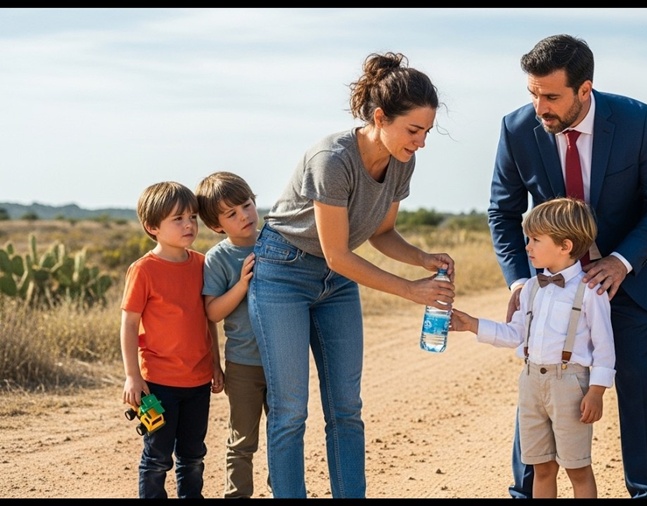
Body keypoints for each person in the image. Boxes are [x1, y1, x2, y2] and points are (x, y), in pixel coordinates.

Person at [247, 51, 455, 499]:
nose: (420, 142)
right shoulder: (331, 158)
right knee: (290, 410)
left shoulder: (403, 160)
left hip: (335, 282)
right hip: (283, 272)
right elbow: (338, 253)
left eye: (426, 132)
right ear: (380, 117)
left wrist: (421, 258)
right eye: (413, 130)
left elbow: (381, 232)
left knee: (346, 408)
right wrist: (411, 289)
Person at [488, 34, 647, 499]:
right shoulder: (517, 129)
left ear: (585, 89)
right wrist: (521, 280)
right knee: (541, 381)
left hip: (630, 284)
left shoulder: (637, 121)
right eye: (533, 94)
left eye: (551, 96)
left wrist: (620, 262)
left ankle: (645, 491)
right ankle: (525, 492)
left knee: (636, 389)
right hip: (553, 288)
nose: (540, 108)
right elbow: (502, 211)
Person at [450, 197, 615, 499]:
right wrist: (472, 324)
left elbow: (605, 348)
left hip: (569, 385)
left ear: (565, 246)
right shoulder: (531, 288)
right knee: (541, 467)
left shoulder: (590, 291)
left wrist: (597, 391)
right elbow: (516, 334)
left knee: (577, 468)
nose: (527, 246)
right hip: (530, 383)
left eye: (535, 240)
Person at [120, 181, 225, 498]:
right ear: (152, 227)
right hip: (156, 385)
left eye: (192, 216)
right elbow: (128, 324)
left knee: (193, 457)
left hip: (197, 383)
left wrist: (215, 365)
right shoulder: (143, 270)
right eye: (177, 219)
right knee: (157, 457)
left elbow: (208, 319)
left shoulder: (202, 264)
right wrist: (132, 376)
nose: (189, 224)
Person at [195, 171, 270, 498]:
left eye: (247, 205)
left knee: (284, 435)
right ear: (216, 225)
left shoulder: (277, 243)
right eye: (231, 213)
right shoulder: (218, 258)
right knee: (242, 441)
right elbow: (211, 313)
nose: (244, 216)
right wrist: (242, 284)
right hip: (243, 365)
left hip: (283, 359)